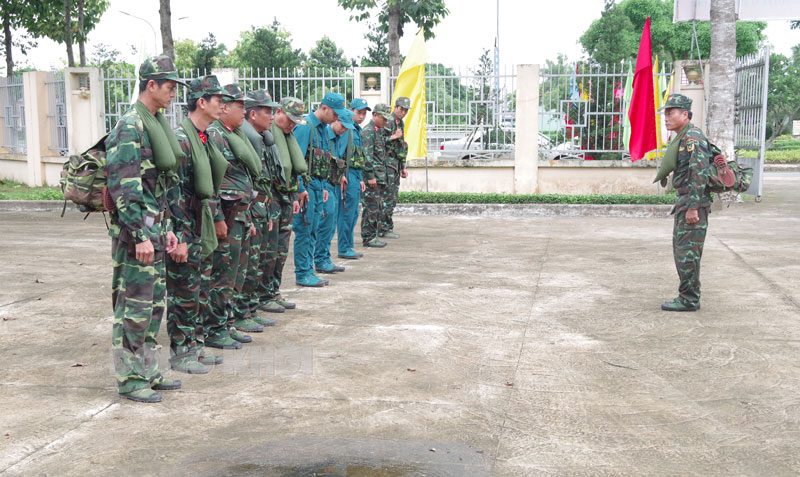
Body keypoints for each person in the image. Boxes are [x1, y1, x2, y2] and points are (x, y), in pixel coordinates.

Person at [106, 55, 184, 403]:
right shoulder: (130, 126)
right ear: (150, 85)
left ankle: (148, 369)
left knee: (153, 307)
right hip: (137, 233)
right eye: (168, 87)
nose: (172, 94)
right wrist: (138, 234)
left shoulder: (153, 123)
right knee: (133, 308)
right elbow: (125, 186)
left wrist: (165, 229)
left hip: (154, 230)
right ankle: (129, 377)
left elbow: (157, 187)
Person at [165, 75, 230, 373]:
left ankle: (196, 345)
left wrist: (215, 218)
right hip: (185, 223)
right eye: (218, 100)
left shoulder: (204, 136)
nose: (222, 105)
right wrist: (180, 235)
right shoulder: (181, 138)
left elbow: (209, 186)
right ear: (201, 102)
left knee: (201, 288)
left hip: (200, 221)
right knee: (184, 292)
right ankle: (181, 352)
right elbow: (173, 191)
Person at [206, 84, 263, 348]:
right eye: (241, 106)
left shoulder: (234, 134)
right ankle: (215, 328)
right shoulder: (214, 135)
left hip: (241, 215)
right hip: (226, 217)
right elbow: (214, 184)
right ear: (225, 107)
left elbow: (244, 181)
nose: (245, 111)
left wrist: (248, 217)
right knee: (223, 276)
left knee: (236, 276)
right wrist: (218, 217)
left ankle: (227, 323)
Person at [659, 94, 713, 312]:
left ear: (685, 114)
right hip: (685, 202)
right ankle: (687, 295)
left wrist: (693, 207)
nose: (666, 118)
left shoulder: (693, 139)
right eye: (666, 113)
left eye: (671, 113)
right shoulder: (683, 137)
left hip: (693, 205)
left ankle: (689, 298)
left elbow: (699, 173)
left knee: (687, 253)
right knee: (682, 251)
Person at [292, 92, 349, 287]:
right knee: (304, 230)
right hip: (306, 188)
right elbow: (296, 161)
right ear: (324, 108)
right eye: (335, 113)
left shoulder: (323, 129)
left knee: (314, 229)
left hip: (318, 186)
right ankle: (303, 273)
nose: (337, 118)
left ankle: (309, 270)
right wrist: (299, 189)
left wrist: (324, 186)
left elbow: (323, 161)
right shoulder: (305, 127)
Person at [239, 89, 284, 317]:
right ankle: (244, 311)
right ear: (253, 114)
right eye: (268, 112)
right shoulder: (245, 140)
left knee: (262, 260)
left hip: (264, 208)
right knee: (248, 265)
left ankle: (254, 304)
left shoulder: (263, 140)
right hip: (250, 209)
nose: (272, 117)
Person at [263, 98, 306, 307]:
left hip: (286, 199)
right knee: (269, 251)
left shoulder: (287, 136)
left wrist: (296, 192)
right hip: (271, 200)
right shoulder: (266, 135)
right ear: (278, 112)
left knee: (281, 251)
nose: (292, 124)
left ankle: (274, 291)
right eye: (289, 119)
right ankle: (263, 296)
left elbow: (292, 169)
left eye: (295, 121)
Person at [317, 108, 355, 269]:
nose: (344, 129)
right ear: (336, 120)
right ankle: (320, 259)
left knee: (331, 223)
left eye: (347, 127)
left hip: (334, 183)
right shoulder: (325, 135)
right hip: (324, 184)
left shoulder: (340, 137)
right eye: (343, 125)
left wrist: (341, 176)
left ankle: (325, 258)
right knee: (325, 223)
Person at [336, 99, 369, 260]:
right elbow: (339, 154)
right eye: (359, 113)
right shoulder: (347, 131)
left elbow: (357, 156)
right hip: (348, 176)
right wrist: (341, 175)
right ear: (351, 111)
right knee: (347, 213)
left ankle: (348, 245)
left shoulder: (356, 130)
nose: (361, 116)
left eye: (364, 114)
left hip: (355, 175)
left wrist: (361, 178)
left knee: (354, 212)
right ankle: (343, 247)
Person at [360, 103, 393, 248]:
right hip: (372, 178)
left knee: (377, 207)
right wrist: (370, 176)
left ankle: (373, 235)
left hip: (380, 176)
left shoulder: (378, 131)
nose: (385, 121)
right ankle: (368, 237)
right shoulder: (368, 132)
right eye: (383, 118)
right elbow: (367, 157)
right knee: (371, 208)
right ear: (374, 115)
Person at [380, 96, 410, 239]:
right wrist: (393, 136)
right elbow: (379, 142)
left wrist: (403, 166)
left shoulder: (400, 122)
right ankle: (383, 228)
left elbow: (400, 146)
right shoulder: (389, 122)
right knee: (387, 197)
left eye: (405, 110)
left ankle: (386, 227)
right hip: (387, 165)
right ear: (396, 107)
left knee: (392, 197)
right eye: (401, 109)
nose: (403, 112)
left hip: (395, 165)